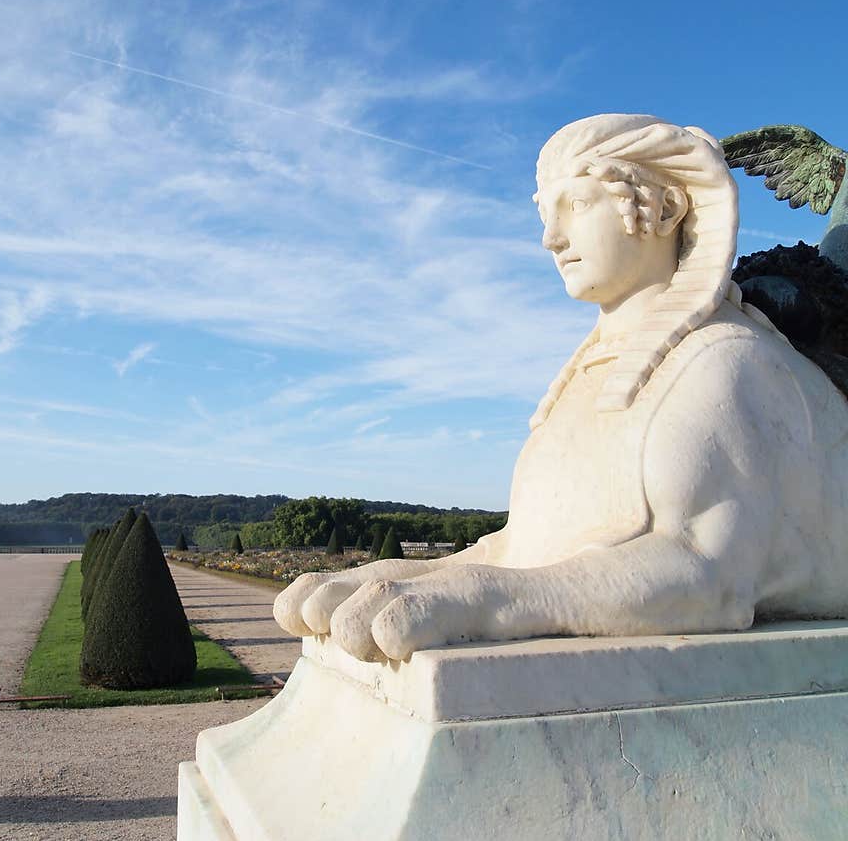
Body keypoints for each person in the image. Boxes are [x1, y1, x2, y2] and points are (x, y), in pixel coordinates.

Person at [273, 114, 848, 661]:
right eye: (545, 212)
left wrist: (477, 598)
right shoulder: (593, 372)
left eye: (576, 204)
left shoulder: (728, 361)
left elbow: (706, 575)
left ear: (666, 207)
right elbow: (523, 548)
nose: (551, 238)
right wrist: (392, 574)